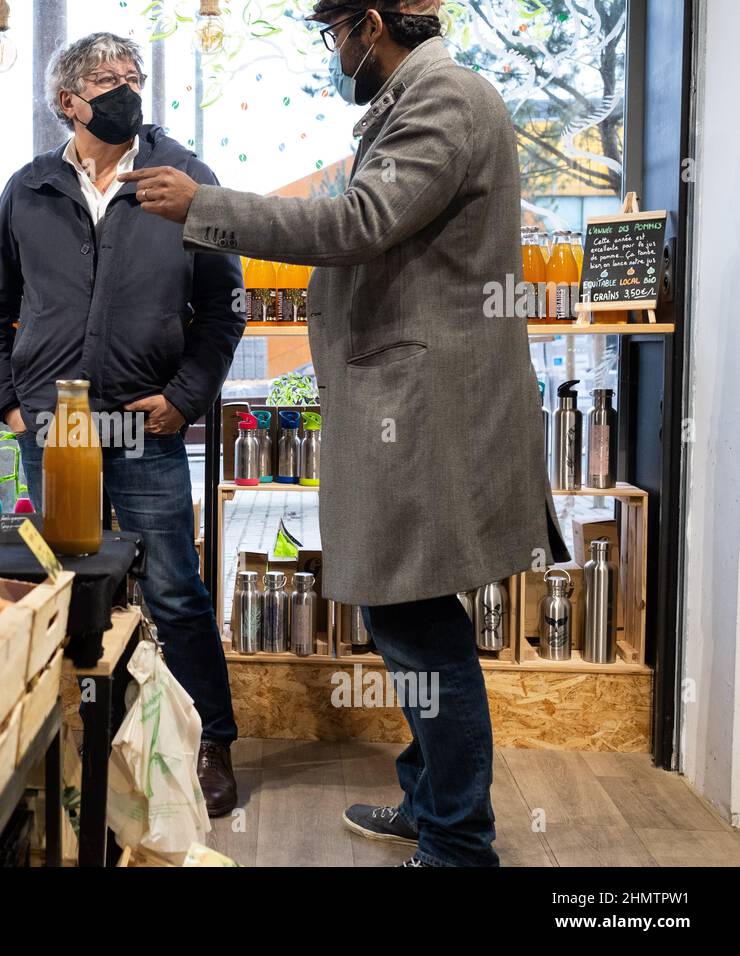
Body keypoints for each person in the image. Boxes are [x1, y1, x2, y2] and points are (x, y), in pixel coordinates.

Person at [125, 0, 568, 866]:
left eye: (335, 34)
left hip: (426, 407)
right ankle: (433, 799)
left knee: (417, 626)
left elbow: (356, 222)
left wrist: (205, 207)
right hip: (408, 398)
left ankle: (457, 843)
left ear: (372, 23)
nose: (335, 52)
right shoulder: (414, 102)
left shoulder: (447, 97)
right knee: (412, 613)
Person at [0, 32, 246, 816]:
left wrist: (185, 397)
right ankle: (76, 742)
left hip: (144, 424)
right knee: (66, 587)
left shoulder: (184, 178)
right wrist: (9, 401)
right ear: (68, 101)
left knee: (173, 589)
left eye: (133, 76)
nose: (126, 88)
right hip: (52, 429)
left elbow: (225, 307)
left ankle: (208, 743)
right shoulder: (28, 190)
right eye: (106, 79)